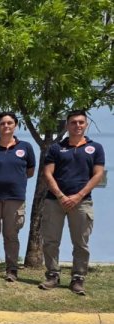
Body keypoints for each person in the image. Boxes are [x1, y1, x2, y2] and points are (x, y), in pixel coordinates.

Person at [39, 110, 105, 295]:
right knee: (51, 241)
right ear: (67, 125)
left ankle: (78, 279)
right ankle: (52, 275)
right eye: (73, 122)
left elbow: (98, 174)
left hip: (82, 202)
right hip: (55, 201)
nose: (77, 125)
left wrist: (78, 195)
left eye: (81, 122)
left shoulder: (96, 148)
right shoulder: (55, 148)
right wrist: (61, 196)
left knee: (81, 243)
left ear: (86, 125)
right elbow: (47, 174)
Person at [0, 112, 36, 282]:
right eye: (2, 123)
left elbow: (30, 171)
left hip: (15, 198)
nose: (6, 126)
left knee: (11, 235)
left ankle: (12, 269)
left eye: (10, 123)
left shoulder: (25, 147)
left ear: (15, 125)